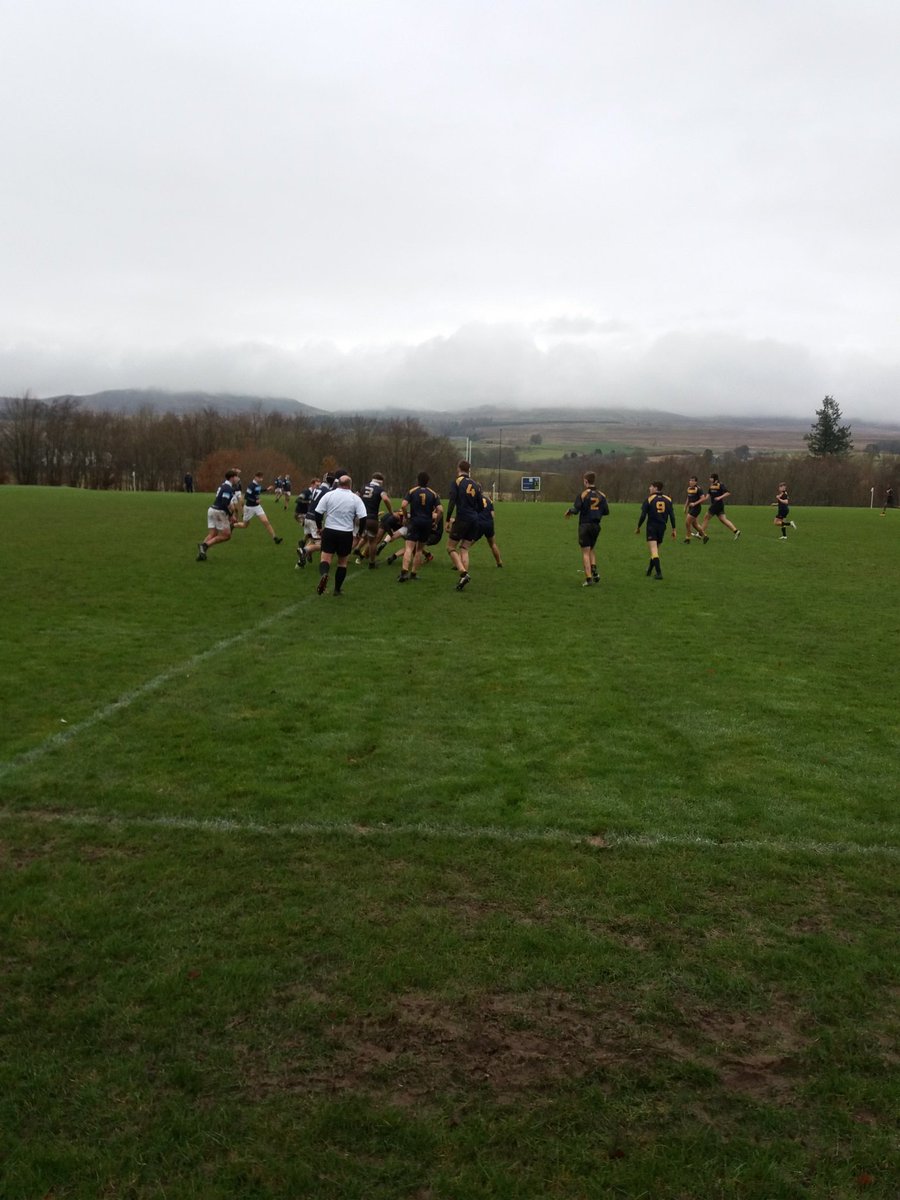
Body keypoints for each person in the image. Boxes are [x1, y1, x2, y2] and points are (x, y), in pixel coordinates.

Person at [313, 475, 367, 596]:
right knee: (342, 562)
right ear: (350, 485)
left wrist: (319, 528)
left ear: (338, 484)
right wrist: (359, 532)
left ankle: (324, 574)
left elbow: (318, 512)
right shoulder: (355, 498)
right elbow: (363, 518)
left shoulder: (329, 495)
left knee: (325, 559)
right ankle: (337, 590)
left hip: (330, 531)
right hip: (346, 533)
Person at [564, 471, 609, 586]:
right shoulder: (602, 495)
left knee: (585, 552)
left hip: (585, 525)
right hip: (596, 526)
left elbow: (576, 509)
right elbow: (606, 512)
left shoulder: (583, 494)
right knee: (591, 549)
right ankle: (594, 571)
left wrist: (569, 511)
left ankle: (588, 579)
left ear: (586, 481)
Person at [398, 472, 443, 583]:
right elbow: (441, 510)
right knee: (419, 549)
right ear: (428, 481)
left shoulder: (412, 491)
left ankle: (404, 572)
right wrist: (435, 522)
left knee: (409, 548)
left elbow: (403, 505)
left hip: (414, 522)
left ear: (418, 480)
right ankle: (413, 573)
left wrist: (405, 517)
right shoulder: (433, 493)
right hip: (427, 523)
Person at [445, 459, 482, 591]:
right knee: (465, 549)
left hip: (462, 518)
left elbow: (452, 501)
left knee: (450, 547)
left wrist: (448, 519)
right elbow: (481, 506)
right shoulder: (475, 484)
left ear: (458, 468)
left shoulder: (457, 482)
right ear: (469, 470)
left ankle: (463, 573)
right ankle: (463, 578)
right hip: (474, 520)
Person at [196, 469, 240, 561]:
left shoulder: (224, 486)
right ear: (232, 478)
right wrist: (231, 515)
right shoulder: (228, 488)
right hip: (218, 512)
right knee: (227, 535)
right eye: (236, 476)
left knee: (213, 534)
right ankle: (204, 545)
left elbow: (225, 502)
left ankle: (201, 553)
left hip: (212, 510)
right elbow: (224, 503)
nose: (238, 478)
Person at [635, 481, 676, 579]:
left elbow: (643, 515)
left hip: (652, 526)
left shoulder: (649, 499)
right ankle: (649, 569)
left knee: (653, 550)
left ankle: (659, 573)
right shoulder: (668, 499)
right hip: (662, 527)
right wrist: (674, 529)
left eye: (651, 487)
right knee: (656, 550)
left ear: (656, 488)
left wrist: (638, 527)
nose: (649, 488)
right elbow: (672, 516)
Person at [234, 473, 284, 545]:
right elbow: (246, 497)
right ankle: (233, 525)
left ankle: (275, 538)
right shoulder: (251, 486)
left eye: (261, 478)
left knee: (266, 521)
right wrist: (255, 500)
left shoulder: (257, 485)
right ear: (255, 477)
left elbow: (259, 490)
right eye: (259, 478)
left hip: (257, 507)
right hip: (249, 508)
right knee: (245, 525)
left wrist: (267, 489)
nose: (261, 479)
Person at [357, 474, 394, 567]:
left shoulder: (363, 487)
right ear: (380, 481)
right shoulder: (380, 490)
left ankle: (350, 554)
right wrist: (391, 511)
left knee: (357, 537)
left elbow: (354, 497)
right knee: (372, 542)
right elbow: (385, 499)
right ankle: (372, 563)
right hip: (371, 518)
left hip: (359, 518)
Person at [700, 473, 741, 539]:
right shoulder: (711, 485)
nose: (709, 479)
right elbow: (707, 496)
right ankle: (736, 531)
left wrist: (720, 497)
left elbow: (728, 492)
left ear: (714, 479)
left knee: (706, 518)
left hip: (717, 505)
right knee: (723, 520)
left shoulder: (720, 484)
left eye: (711, 478)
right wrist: (701, 500)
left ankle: (700, 534)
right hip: (718, 505)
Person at [474, 490, 504, 566]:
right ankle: (499, 562)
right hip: (489, 524)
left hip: (479, 524)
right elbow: (493, 515)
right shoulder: (489, 500)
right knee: (493, 544)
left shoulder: (473, 500)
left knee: (465, 546)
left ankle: (458, 564)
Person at [684, 475, 708, 543]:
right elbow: (688, 498)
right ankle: (705, 536)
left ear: (696, 482)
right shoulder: (688, 489)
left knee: (687, 522)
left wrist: (695, 503)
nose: (691, 482)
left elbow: (703, 498)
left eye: (692, 481)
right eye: (690, 480)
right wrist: (685, 506)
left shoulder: (698, 489)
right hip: (691, 508)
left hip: (696, 508)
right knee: (695, 525)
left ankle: (688, 538)